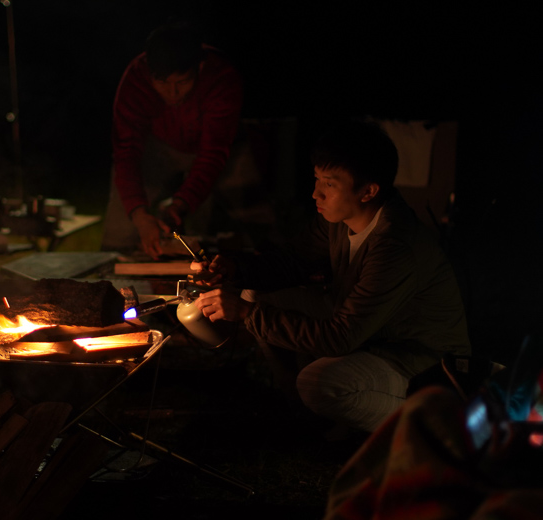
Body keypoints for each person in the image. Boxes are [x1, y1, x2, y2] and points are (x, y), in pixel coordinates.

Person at [190, 120, 471, 433]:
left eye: (330, 184)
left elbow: (340, 337)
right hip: (368, 332)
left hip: (417, 360)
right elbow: (292, 262)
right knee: (257, 292)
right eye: (316, 179)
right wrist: (233, 268)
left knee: (318, 383)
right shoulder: (339, 220)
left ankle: (432, 424)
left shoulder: (396, 247)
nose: (315, 194)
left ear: (368, 191)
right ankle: (304, 414)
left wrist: (245, 315)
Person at [100, 20, 243, 259]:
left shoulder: (222, 77)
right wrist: (139, 214)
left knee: (241, 213)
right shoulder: (136, 79)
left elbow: (213, 154)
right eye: (163, 83)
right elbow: (126, 152)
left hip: (210, 147)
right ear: (149, 71)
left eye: (182, 82)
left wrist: (178, 205)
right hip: (158, 147)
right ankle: (111, 270)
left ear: (199, 67)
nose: (172, 93)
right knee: (122, 226)